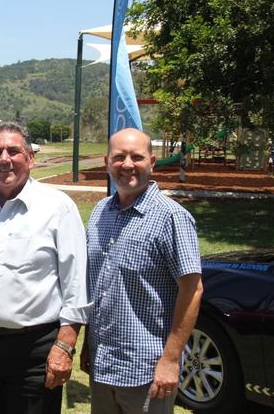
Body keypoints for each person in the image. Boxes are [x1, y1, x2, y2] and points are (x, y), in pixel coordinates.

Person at [0, 122, 89, 414]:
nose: (4, 158)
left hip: (33, 350)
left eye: (13, 151)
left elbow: (76, 282)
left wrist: (65, 345)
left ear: (30, 158)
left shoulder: (57, 208)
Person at [81, 128, 203, 414]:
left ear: (152, 161)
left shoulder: (171, 217)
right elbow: (97, 285)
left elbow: (193, 290)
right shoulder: (100, 213)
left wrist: (171, 360)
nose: (127, 165)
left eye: (136, 157)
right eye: (119, 157)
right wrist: (89, 343)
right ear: (106, 160)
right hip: (103, 364)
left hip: (148, 371)